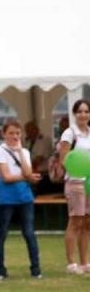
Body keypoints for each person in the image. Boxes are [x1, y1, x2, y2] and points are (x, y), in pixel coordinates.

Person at [0, 121, 42, 281]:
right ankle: (0, 270)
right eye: (11, 133)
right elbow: (6, 177)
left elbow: (28, 171)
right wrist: (28, 177)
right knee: (2, 234)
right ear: (3, 134)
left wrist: (20, 151)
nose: (14, 136)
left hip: (25, 197)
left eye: (17, 133)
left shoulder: (25, 151)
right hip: (7, 199)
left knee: (29, 233)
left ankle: (36, 269)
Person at [57, 100, 90, 274]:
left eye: (86, 111)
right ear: (74, 114)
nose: (83, 115)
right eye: (80, 111)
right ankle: (71, 263)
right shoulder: (69, 134)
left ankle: (85, 263)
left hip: (89, 182)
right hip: (75, 182)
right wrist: (77, 170)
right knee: (75, 221)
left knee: (87, 222)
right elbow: (63, 159)